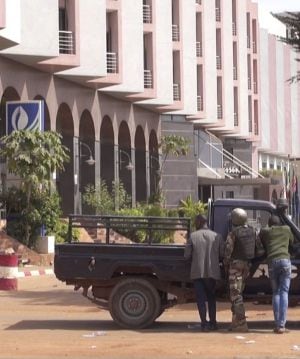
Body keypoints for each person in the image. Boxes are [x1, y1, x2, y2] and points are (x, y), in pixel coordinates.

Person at [184, 214, 224, 331]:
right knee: (211, 298)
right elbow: (222, 255)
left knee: (201, 299)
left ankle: (204, 324)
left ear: (199, 223)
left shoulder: (192, 236)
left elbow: (187, 256)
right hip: (212, 273)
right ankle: (213, 323)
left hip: (198, 272)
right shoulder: (217, 236)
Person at [259, 214, 294, 334]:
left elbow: (260, 238)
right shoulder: (286, 229)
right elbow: (292, 242)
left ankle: (277, 324)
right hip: (285, 261)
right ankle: (282, 325)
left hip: (272, 262)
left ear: (269, 224)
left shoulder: (266, 231)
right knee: (284, 292)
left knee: (276, 292)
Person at [224, 208, 256, 332]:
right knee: (237, 294)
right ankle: (235, 322)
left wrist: (226, 263)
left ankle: (242, 324)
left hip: (235, 267)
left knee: (236, 296)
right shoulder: (253, 231)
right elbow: (258, 248)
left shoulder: (233, 233)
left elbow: (228, 251)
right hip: (246, 267)